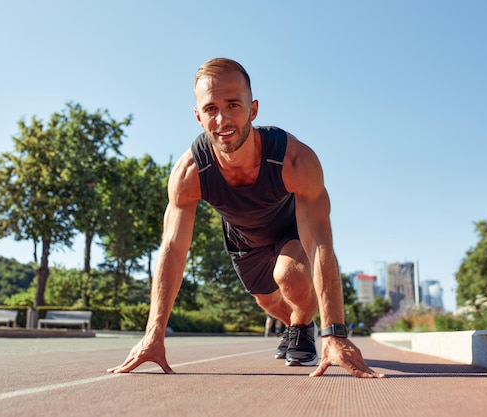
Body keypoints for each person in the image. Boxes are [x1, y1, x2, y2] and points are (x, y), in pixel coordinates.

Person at [107, 58, 385, 378]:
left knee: (290, 275)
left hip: (288, 229)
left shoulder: (294, 160)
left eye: (233, 105)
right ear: (198, 117)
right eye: (211, 108)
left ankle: (304, 328)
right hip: (243, 240)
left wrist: (335, 333)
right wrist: (153, 333)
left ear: (253, 110)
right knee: (268, 303)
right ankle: (298, 323)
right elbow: (173, 250)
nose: (222, 119)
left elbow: (320, 243)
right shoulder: (190, 173)